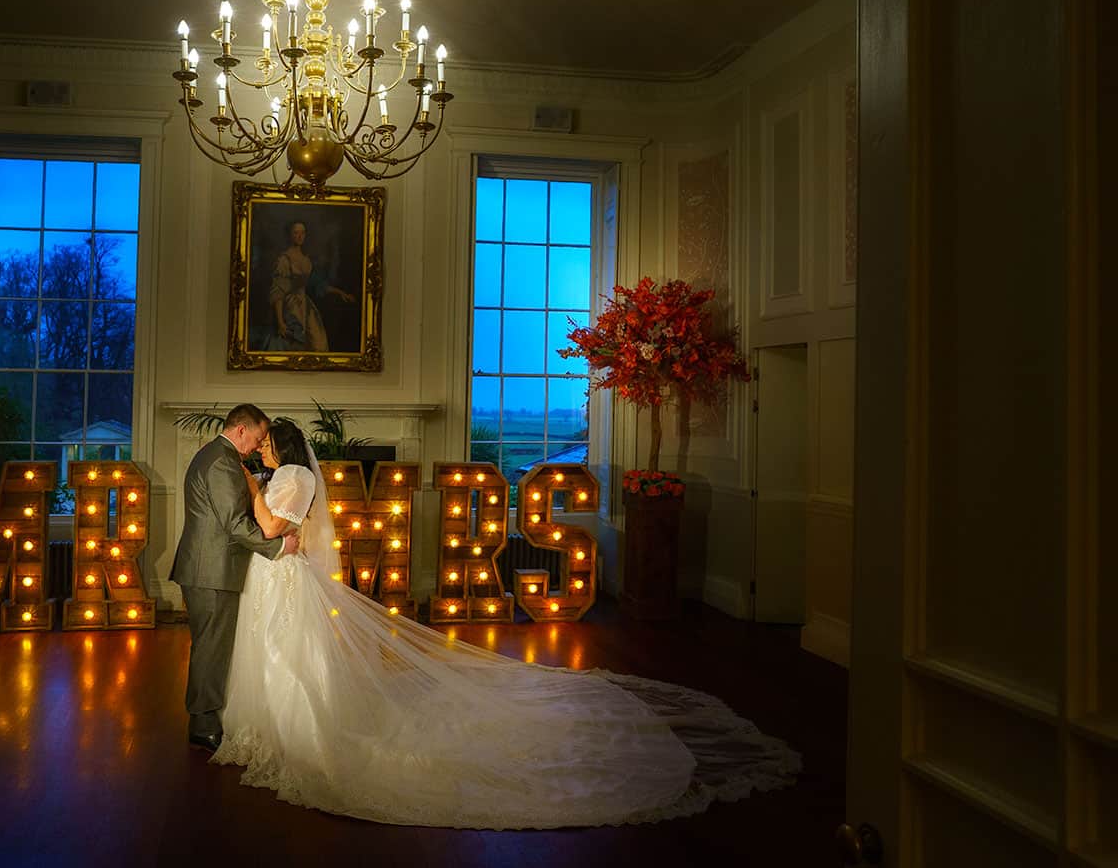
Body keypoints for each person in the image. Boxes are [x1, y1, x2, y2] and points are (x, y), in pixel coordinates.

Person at [211, 417, 801, 829]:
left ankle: (297, 731)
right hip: (278, 577)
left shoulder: (293, 477)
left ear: (280, 448)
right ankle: (270, 722)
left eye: (265, 446)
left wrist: (247, 486)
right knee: (277, 650)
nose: (260, 450)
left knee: (288, 652)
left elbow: (268, 528)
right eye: (257, 446)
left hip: (284, 575)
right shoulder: (286, 475)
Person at [169, 403, 299, 753]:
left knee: (210, 645)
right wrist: (277, 548)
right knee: (212, 647)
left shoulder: (219, 457)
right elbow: (234, 523)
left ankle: (206, 717)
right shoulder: (222, 461)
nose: (260, 446)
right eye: (258, 438)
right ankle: (204, 724)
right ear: (241, 430)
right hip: (211, 568)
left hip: (209, 566)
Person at [265, 220, 354, 351]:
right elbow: (278, 292)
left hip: (306, 307)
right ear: (290, 235)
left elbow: (318, 284)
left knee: (318, 342)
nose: (300, 236)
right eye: (296, 233)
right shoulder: (284, 260)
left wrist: (340, 293)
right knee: (291, 344)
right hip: (289, 307)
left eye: (303, 233)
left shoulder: (306, 260)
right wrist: (280, 322)